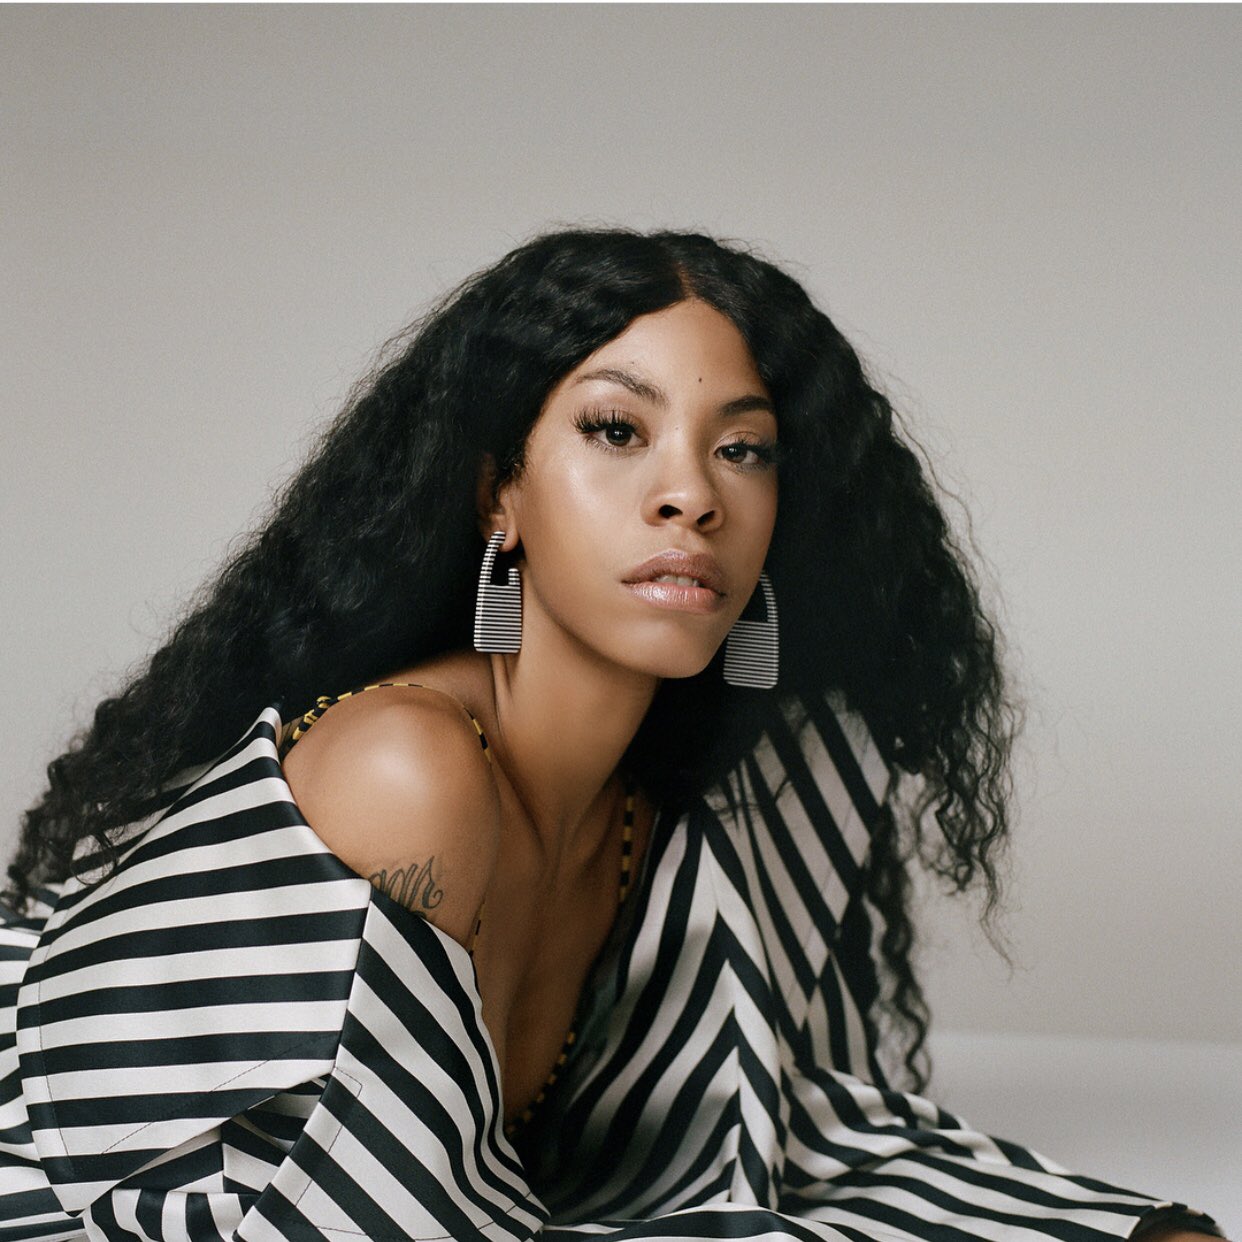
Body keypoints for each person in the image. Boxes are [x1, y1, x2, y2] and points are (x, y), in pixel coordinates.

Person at [0, 227, 1225, 1241]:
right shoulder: (408, 769)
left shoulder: (683, 813)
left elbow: (778, 1133)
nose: (692, 495)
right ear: (499, 492)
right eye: (616, 430)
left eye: (741, 449)